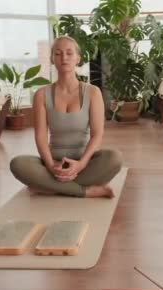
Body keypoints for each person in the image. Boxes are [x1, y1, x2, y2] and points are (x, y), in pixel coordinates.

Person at [10, 36, 122, 198]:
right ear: (52, 59)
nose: (64, 58)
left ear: (78, 58)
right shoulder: (41, 95)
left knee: (114, 158)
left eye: (69, 53)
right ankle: (85, 190)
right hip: (54, 163)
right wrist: (50, 166)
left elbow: (97, 134)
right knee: (18, 164)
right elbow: (41, 137)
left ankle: (50, 187)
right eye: (58, 53)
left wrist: (81, 164)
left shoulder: (92, 92)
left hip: (85, 163)